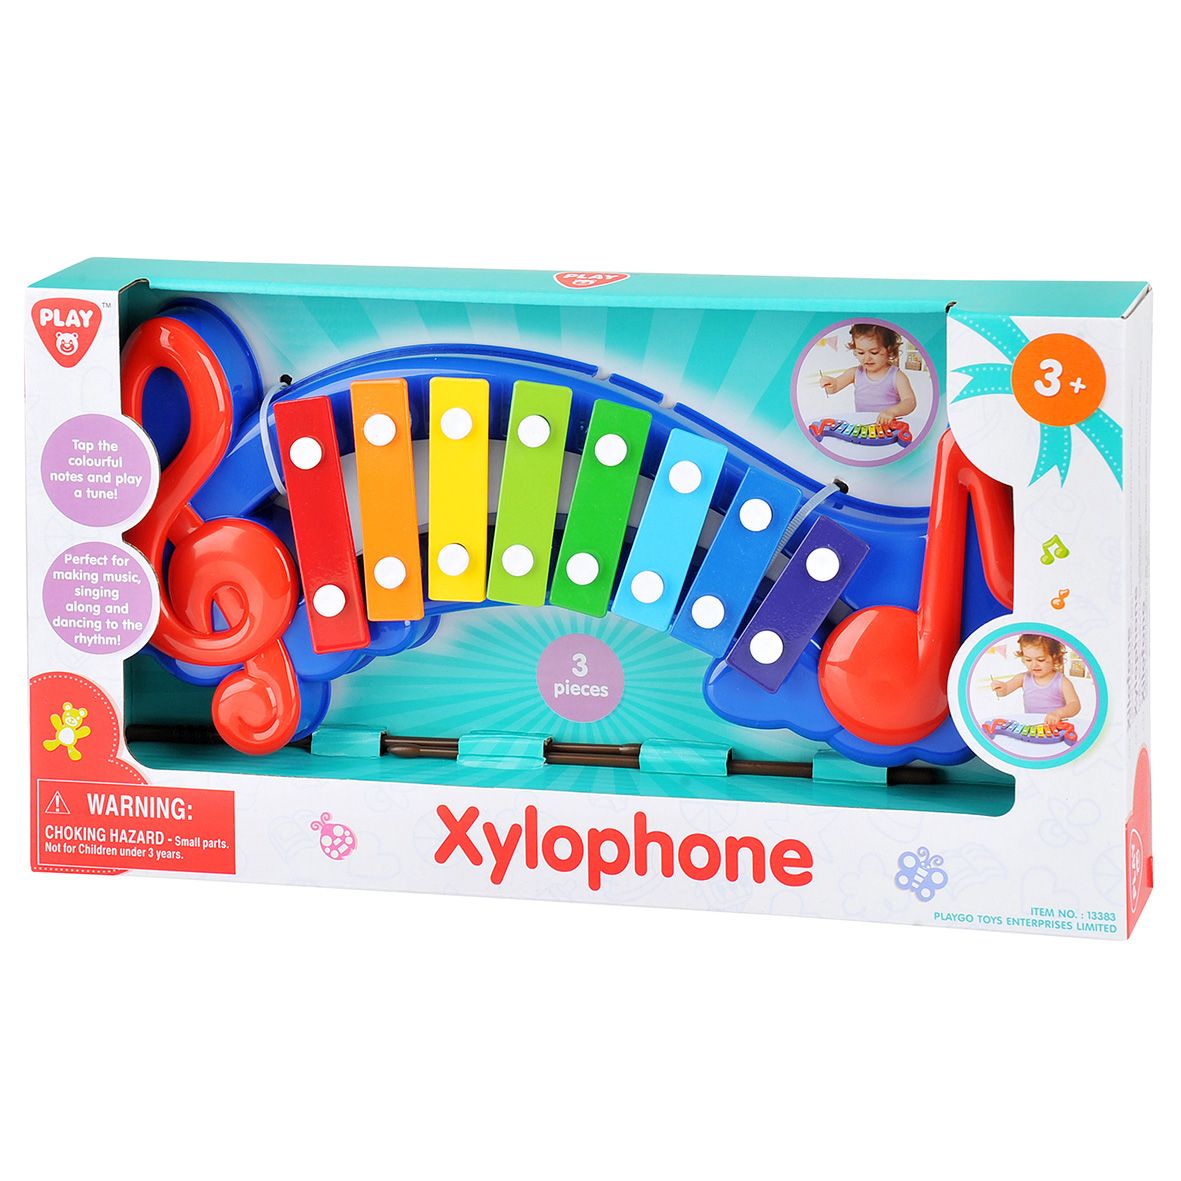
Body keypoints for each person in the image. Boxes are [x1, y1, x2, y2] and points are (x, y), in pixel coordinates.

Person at [820, 324, 917, 425]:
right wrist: (829, 383)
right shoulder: (855, 373)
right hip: (863, 426)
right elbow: (834, 387)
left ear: (890, 350)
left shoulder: (897, 376)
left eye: (874, 352)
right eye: (861, 353)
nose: (867, 358)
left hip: (888, 428)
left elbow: (910, 402)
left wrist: (892, 411)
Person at [991, 634, 1081, 726]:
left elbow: (1075, 705)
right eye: (1028, 660)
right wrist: (1000, 687)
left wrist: (1058, 713)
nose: (1034, 665)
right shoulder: (1023, 678)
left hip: (1055, 727)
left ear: (1055, 658)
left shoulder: (1062, 681)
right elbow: (1005, 691)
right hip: (1031, 725)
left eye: (1040, 660)